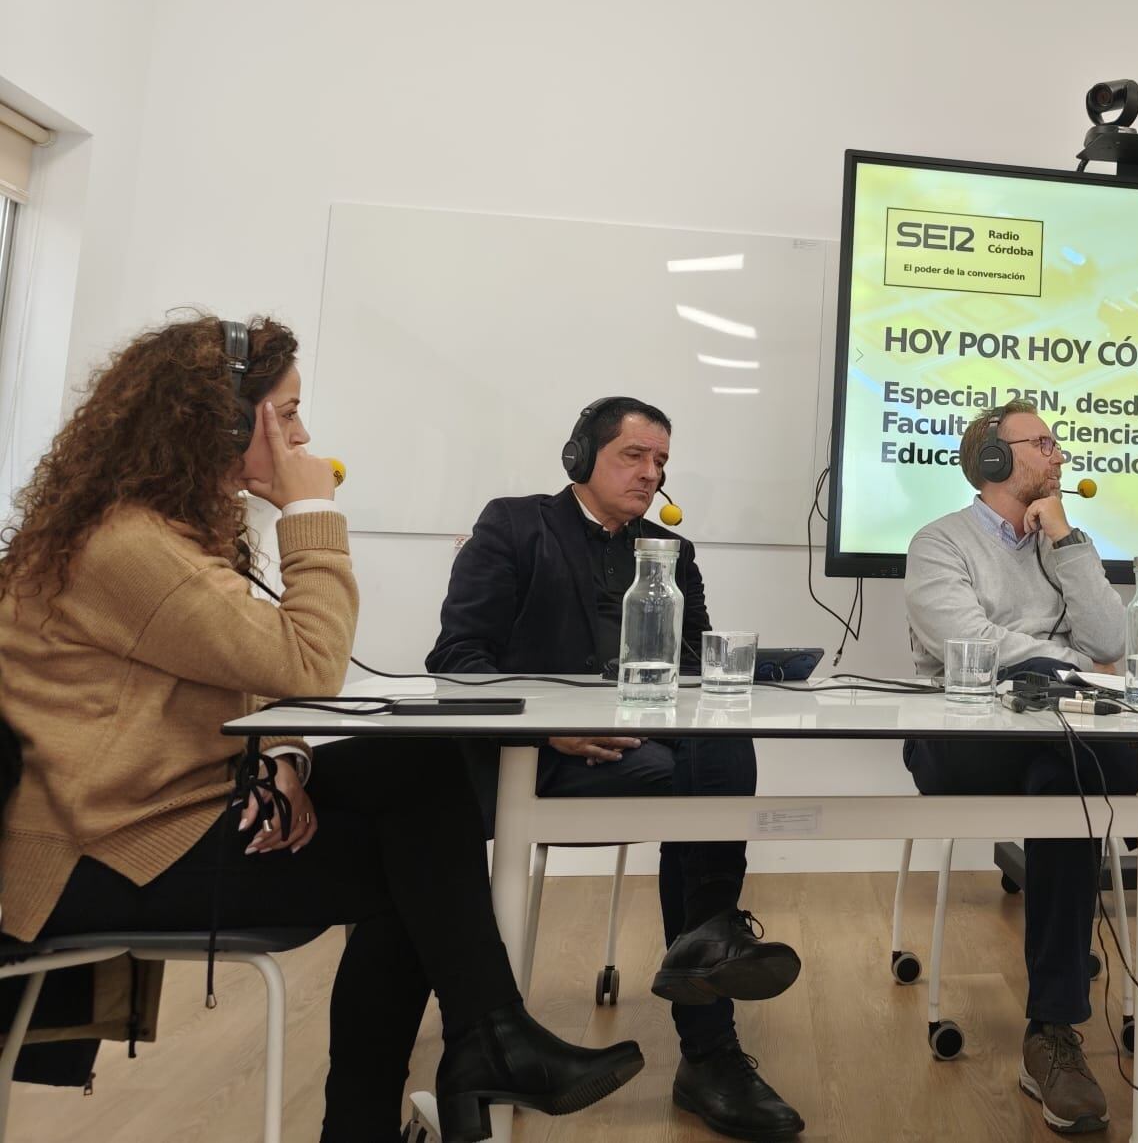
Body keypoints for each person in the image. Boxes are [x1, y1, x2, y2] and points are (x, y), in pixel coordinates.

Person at [0, 315, 642, 1143]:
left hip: (166, 807)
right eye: (289, 413)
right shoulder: (129, 549)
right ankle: (445, 1070)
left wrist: (289, 757)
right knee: (417, 868)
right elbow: (309, 663)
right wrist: (310, 508)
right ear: (225, 423)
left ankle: (478, 1046)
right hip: (105, 851)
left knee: (419, 771)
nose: (304, 436)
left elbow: (251, 688)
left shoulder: (153, 534)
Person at [428, 395, 802, 1141]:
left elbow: (693, 673)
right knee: (703, 790)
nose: (651, 475)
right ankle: (711, 1005)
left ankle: (708, 983)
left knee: (721, 743)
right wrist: (551, 732)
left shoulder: (671, 553)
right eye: (635, 456)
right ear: (580, 457)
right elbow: (457, 662)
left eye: (661, 462)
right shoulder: (514, 524)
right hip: (532, 762)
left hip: (641, 759)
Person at [904, 400, 1138, 1137]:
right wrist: (1070, 668)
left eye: (1055, 443)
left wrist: (1069, 542)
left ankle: (1052, 1034)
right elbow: (967, 642)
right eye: (1041, 444)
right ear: (993, 461)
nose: (1058, 455)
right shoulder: (938, 543)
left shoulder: (1062, 541)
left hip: (1058, 746)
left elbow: (1112, 635)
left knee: (1071, 785)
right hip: (962, 738)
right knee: (1079, 747)